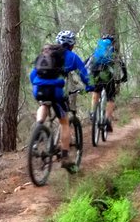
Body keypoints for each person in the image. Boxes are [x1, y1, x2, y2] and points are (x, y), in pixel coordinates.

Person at [29, 29, 92, 170]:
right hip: (56, 90)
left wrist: (37, 84)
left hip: (38, 89)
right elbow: (84, 74)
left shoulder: (46, 53)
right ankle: (64, 156)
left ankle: (39, 127)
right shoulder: (72, 57)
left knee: (44, 104)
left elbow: (33, 74)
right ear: (72, 45)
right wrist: (89, 86)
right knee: (64, 123)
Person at [87, 34, 128, 133]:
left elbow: (87, 62)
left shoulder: (97, 51)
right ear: (112, 43)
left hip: (95, 72)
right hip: (107, 74)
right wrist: (124, 76)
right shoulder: (112, 51)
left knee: (96, 91)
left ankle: (93, 112)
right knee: (111, 97)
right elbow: (121, 64)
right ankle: (107, 120)